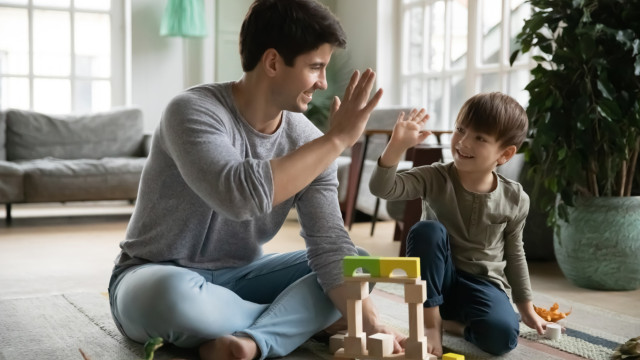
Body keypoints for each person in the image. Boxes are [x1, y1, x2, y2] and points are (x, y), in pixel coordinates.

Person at [107, 1, 405, 359]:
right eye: (315, 67)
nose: (324, 83)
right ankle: (294, 322)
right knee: (171, 300)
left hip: (243, 278)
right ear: (274, 62)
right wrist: (337, 140)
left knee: (356, 263)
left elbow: (328, 243)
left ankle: (251, 342)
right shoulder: (191, 111)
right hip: (155, 275)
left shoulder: (311, 142)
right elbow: (238, 196)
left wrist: (368, 322)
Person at [369, 92, 550, 356]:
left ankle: (454, 325)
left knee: (502, 338)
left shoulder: (515, 198)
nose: (463, 142)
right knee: (426, 230)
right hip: (435, 281)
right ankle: (431, 323)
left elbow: (515, 253)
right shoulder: (433, 176)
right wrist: (396, 146)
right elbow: (382, 188)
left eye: (479, 138)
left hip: (483, 284)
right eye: (460, 130)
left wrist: (526, 308)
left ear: (505, 153)